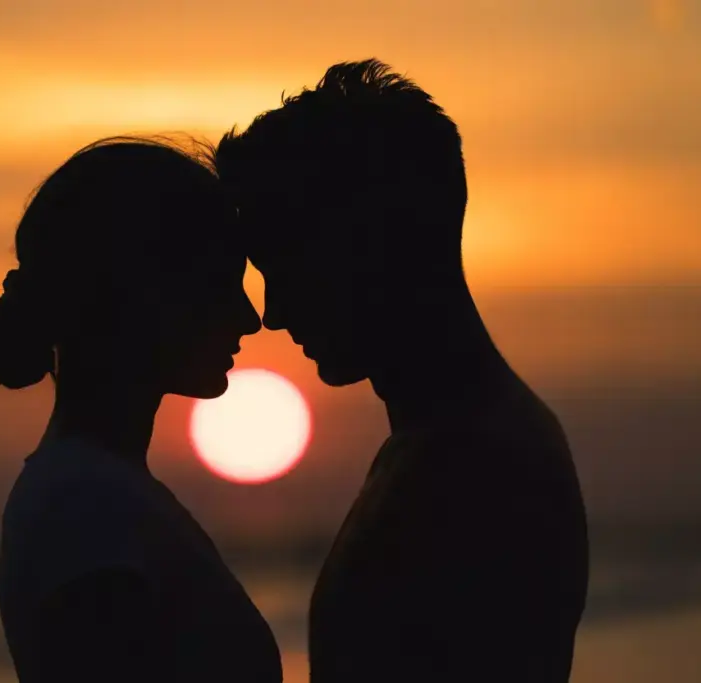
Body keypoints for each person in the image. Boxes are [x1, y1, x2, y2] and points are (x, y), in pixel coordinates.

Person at [214, 60, 589, 682]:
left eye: (286, 266)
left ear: (374, 241)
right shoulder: (444, 444)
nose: (273, 314)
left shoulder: (476, 472)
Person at [0, 138, 281, 683]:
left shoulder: (93, 494)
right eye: (220, 285)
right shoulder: (86, 507)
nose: (249, 317)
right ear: (139, 294)